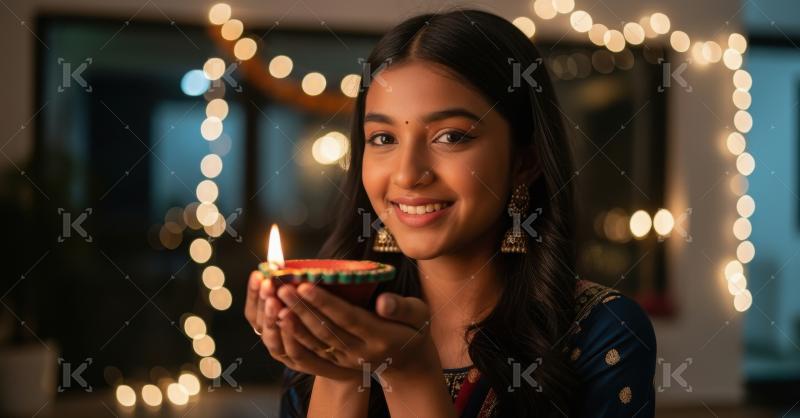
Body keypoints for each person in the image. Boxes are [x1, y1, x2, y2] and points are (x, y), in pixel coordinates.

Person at [245, 8, 656, 417]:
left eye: (451, 136)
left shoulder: (601, 332)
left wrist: (409, 374)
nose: (407, 174)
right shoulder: (329, 323)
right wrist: (340, 371)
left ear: (524, 161)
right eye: (383, 138)